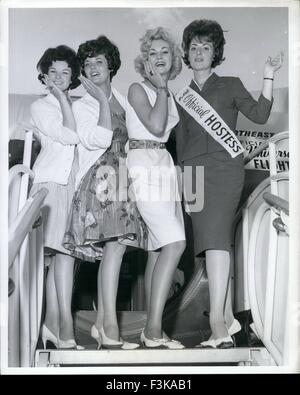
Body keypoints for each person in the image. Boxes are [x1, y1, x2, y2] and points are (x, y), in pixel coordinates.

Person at [175, 19, 283, 348]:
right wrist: (180, 176)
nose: (199, 52)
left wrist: (267, 75)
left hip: (223, 170)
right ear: (187, 52)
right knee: (207, 247)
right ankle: (227, 319)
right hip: (192, 173)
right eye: (194, 47)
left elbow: (261, 116)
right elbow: (180, 139)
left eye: (206, 47)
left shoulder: (232, 84)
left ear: (216, 53)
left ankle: (218, 326)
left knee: (217, 241)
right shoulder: (181, 94)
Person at [63, 36, 147, 349]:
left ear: (110, 65)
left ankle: (102, 325)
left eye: (99, 61)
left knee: (116, 250)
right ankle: (110, 327)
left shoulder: (124, 99)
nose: (93, 67)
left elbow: (133, 141)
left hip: (122, 180)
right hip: (98, 179)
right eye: (87, 63)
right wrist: (99, 100)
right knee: (114, 249)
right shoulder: (83, 104)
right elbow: (97, 140)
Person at [126, 27, 186, 349]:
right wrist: (162, 90)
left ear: (173, 58)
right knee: (175, 243)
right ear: (145, 60)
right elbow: (156, 125)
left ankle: (152, 328)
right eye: (153, 53)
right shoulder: (138, 88)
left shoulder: (168, 92)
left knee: (157, 251)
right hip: (142, 162)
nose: (159, 57)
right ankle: (152, 331)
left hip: (163, 165)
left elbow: (168, 135)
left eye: (165, 52)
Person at [29, 45, 84, 349]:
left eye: (66, 72)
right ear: (45, 75)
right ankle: (65, 328)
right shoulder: (42, 105)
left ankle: (51, 324)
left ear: (73, 75)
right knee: (63, 255)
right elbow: (69, 136)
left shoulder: (75, 104)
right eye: (54, 72)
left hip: (71, 185)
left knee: (65, 258)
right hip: (51, 185)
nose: (60, 77)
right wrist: (63, 98)